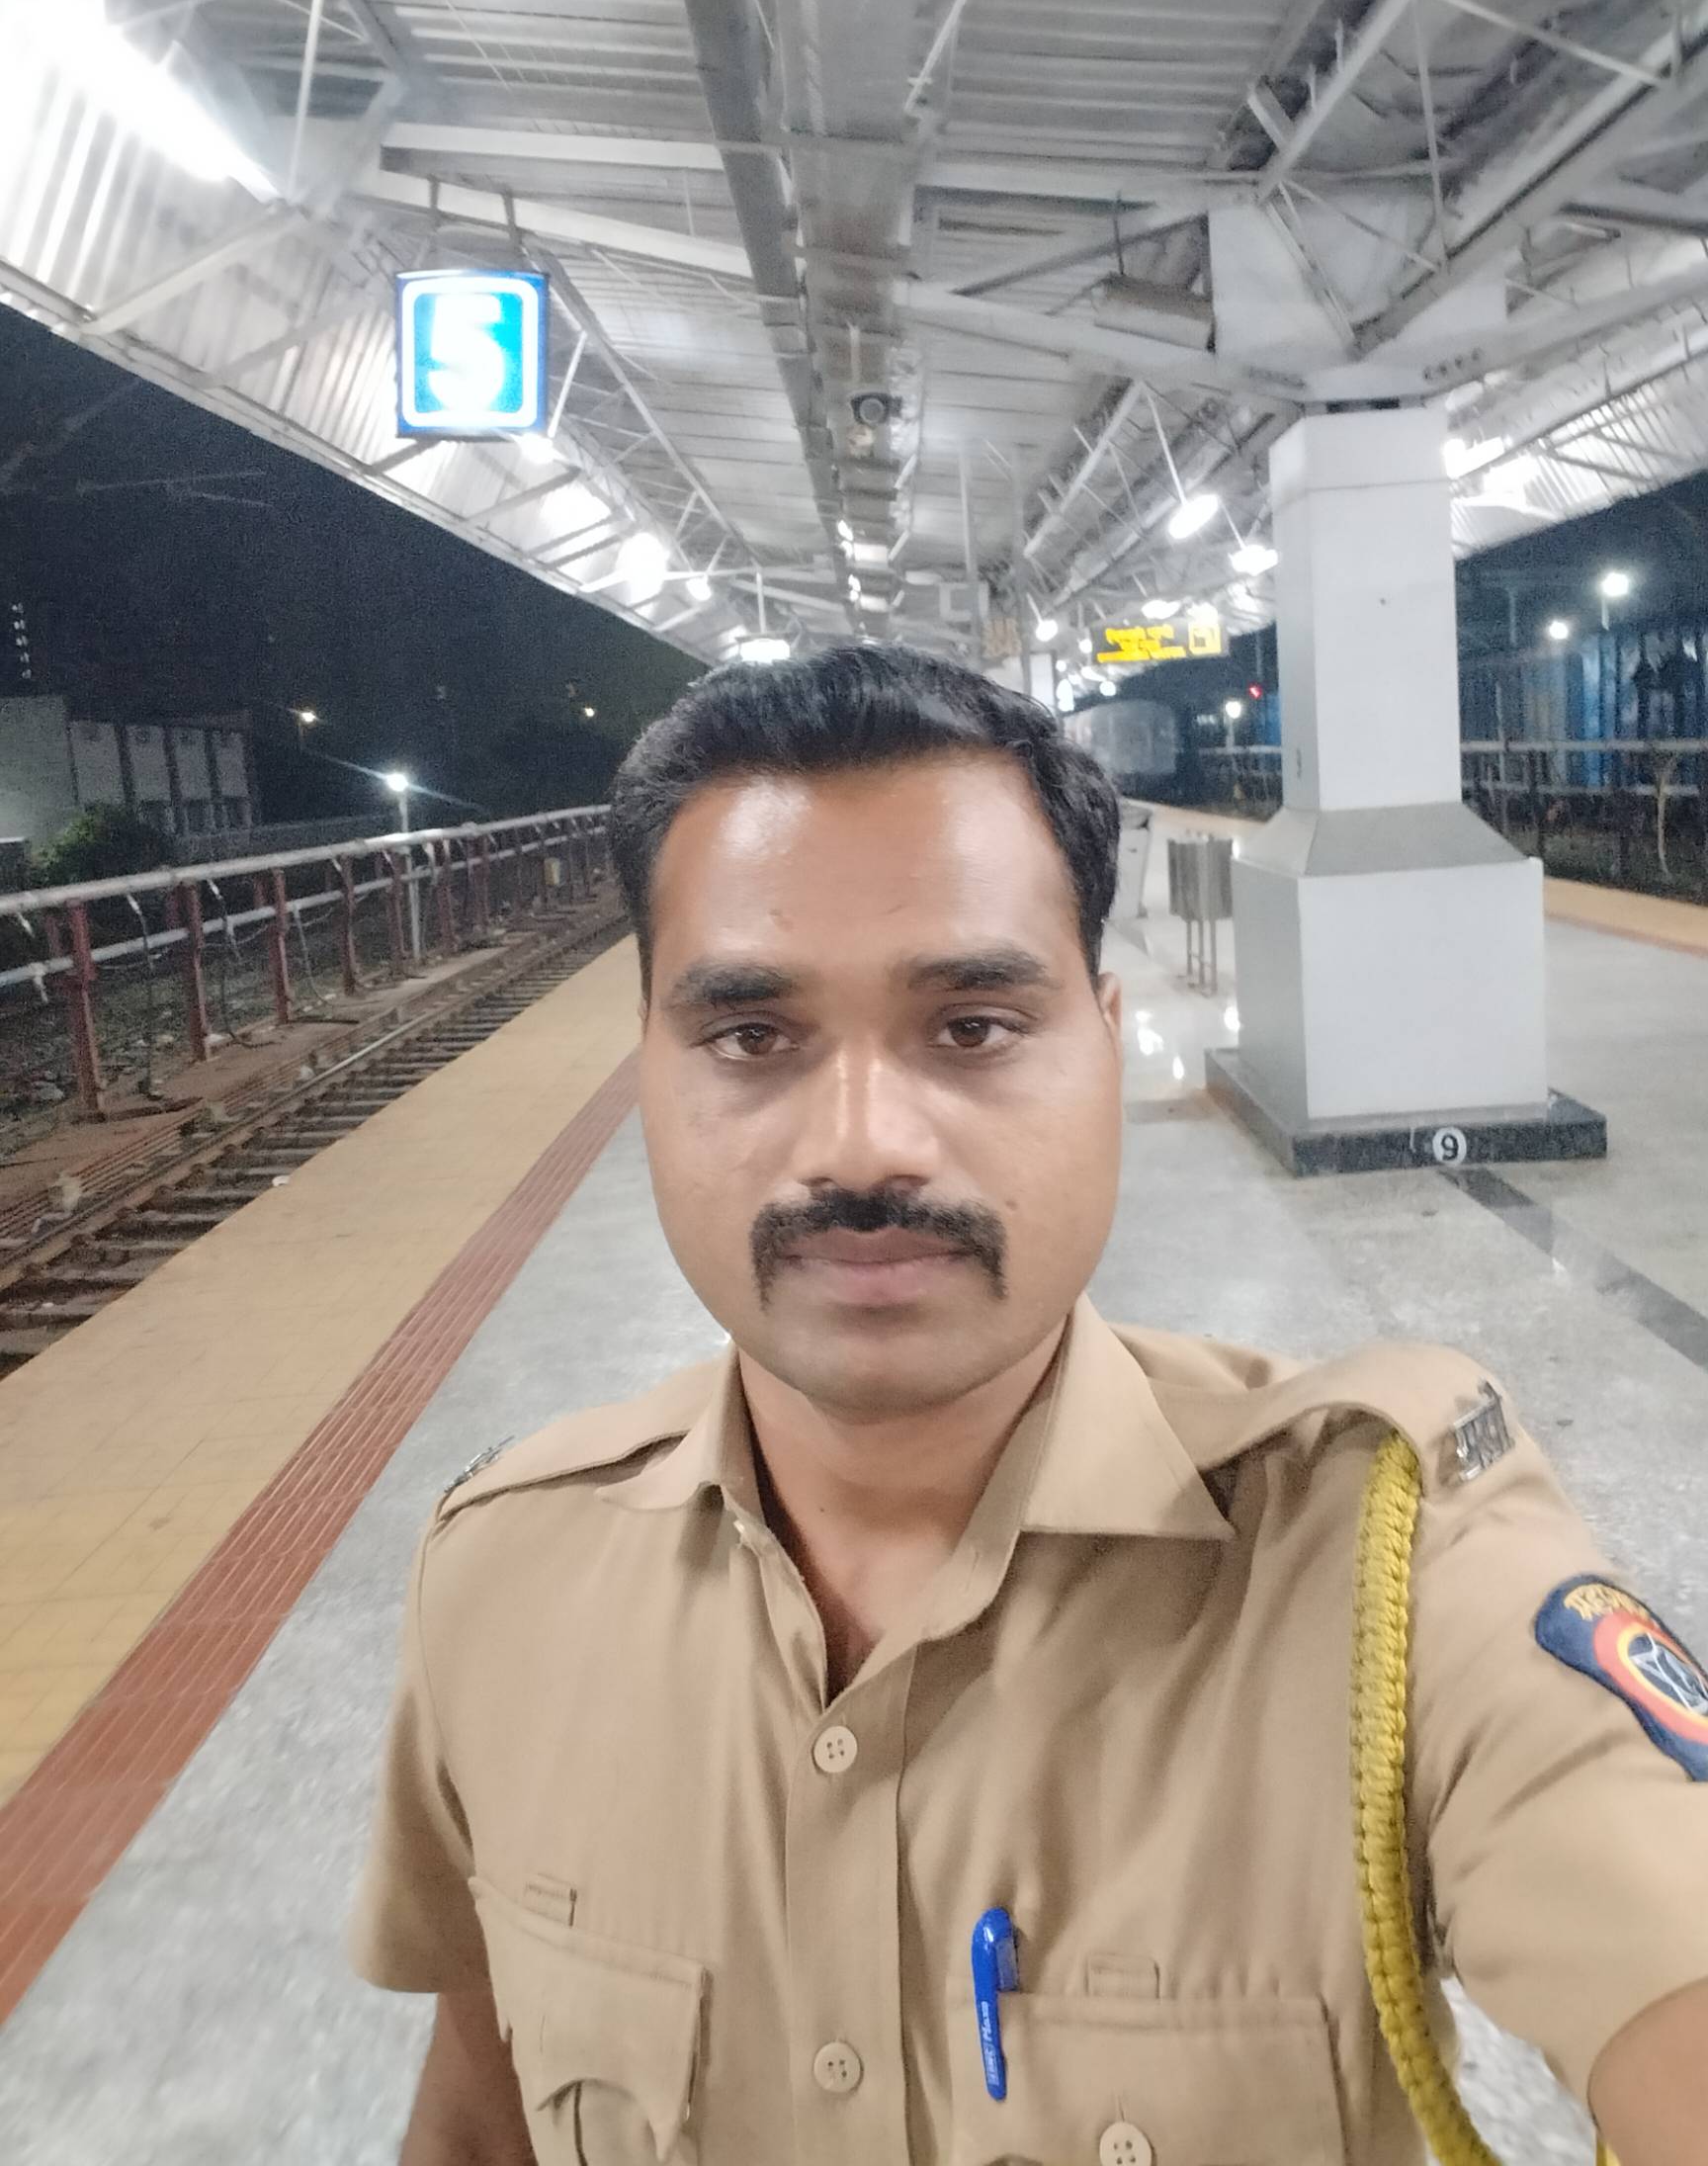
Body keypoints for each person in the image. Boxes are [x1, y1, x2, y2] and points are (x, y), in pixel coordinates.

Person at [351, 645, 1708, 2166]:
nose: (862, 1147)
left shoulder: (1393, 1572)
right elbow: (477, 2113)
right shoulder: (502, 1577)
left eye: (973, 1027)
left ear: (1107, 1047)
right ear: (649, 1075)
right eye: (751, 1038)